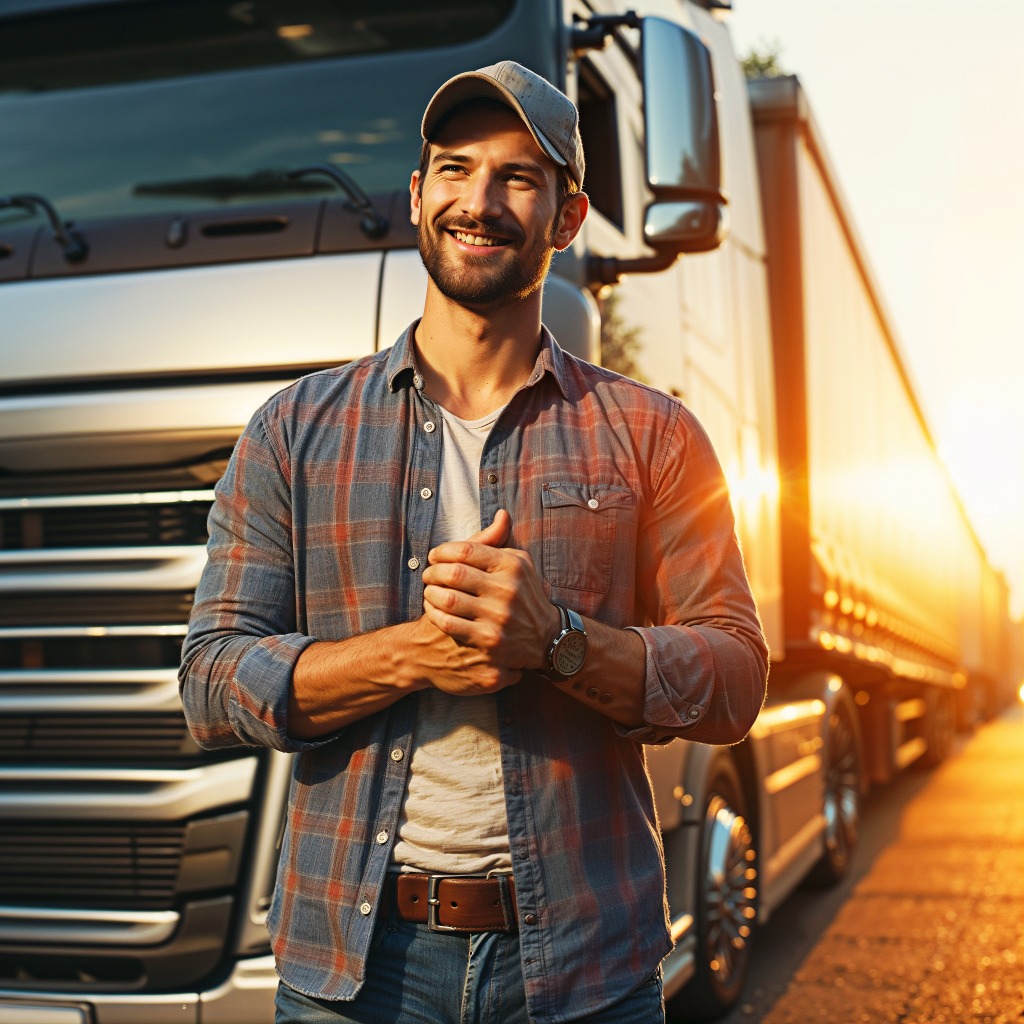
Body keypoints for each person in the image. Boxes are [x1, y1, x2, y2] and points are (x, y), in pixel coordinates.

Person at [179, 61, 768, 1024]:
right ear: (418, 196)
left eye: (518, 178)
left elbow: (737, 677)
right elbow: (211, 679)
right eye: (454, 170)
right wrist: (415, 653)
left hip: (584, 968)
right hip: (353, 970)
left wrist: (556, 641)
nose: (478, 202)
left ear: (567, 220)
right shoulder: (293, 430)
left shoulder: (655, 435)